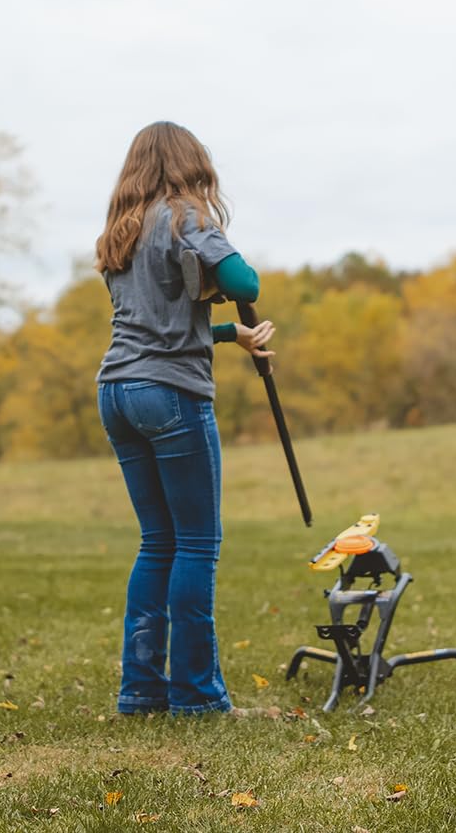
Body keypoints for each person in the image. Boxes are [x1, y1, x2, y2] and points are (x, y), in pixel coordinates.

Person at [95, 121, 275, 716]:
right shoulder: (184, 217)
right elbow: (245, 280)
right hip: (170, 394)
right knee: (196, 544)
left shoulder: (121, 230)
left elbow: (159, 321)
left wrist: (230, 333)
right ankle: (198, 696)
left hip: (118, 392)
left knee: (157, 543)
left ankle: (141, 691)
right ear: (190, 164)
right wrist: (221, 268)